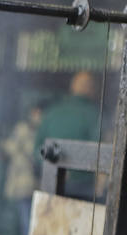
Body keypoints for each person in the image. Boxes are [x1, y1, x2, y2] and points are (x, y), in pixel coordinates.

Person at [34, 71, 100, 199]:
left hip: (50, 185)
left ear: (72, 87)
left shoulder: (51, 112)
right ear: (92, 89)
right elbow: (99, 154)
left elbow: (37, 150)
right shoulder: (95, 115)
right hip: (82, 189)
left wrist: (57, 168)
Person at [2, 102, 44, 235]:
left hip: (34, 183)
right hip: (22, 181)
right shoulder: (22, 129)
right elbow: (10, 147)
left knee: (31, 218)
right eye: (37, 113)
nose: (38, 116)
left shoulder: (42, 132)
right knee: (24, 217)